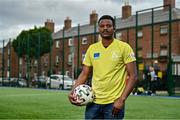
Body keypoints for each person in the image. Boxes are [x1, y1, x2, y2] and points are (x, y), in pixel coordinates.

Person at [68, 15, 138, 119]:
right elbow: (84, 74)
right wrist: (73, 91)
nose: (105, 28)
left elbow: (133, 76)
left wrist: (121, 100)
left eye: (109, 25)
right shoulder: (92, 48)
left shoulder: (124, 47)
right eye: (102, 26)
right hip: (93, 102)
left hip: (113, 102)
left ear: (114, 28)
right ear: (98, 29)